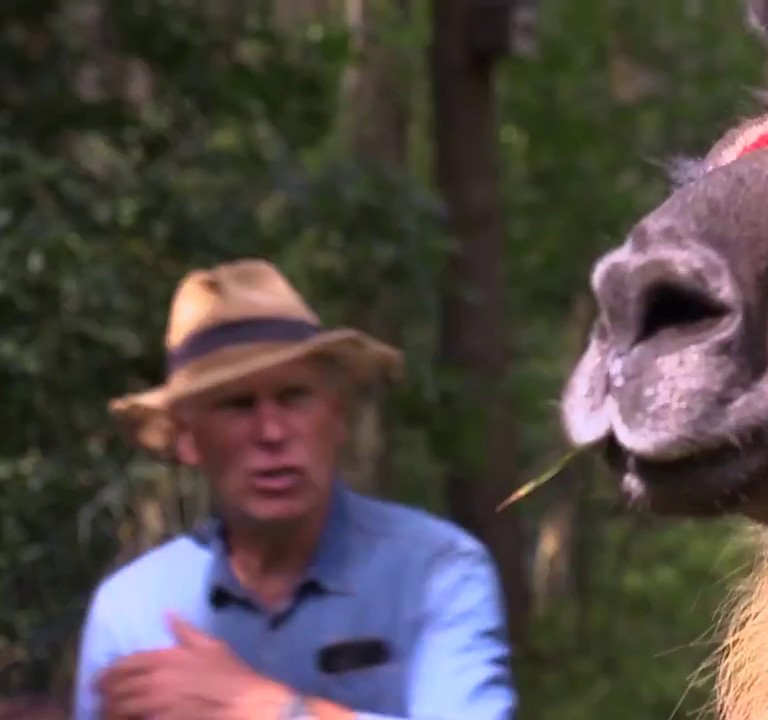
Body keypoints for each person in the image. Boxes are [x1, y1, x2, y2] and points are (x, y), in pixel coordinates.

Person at [72, 258, 518, 720]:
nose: (271, 432)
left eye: (294, 397)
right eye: (237, 405)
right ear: (188, 439)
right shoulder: (133, 610)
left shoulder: (435, 572)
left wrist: (262, 707)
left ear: (337, 415)